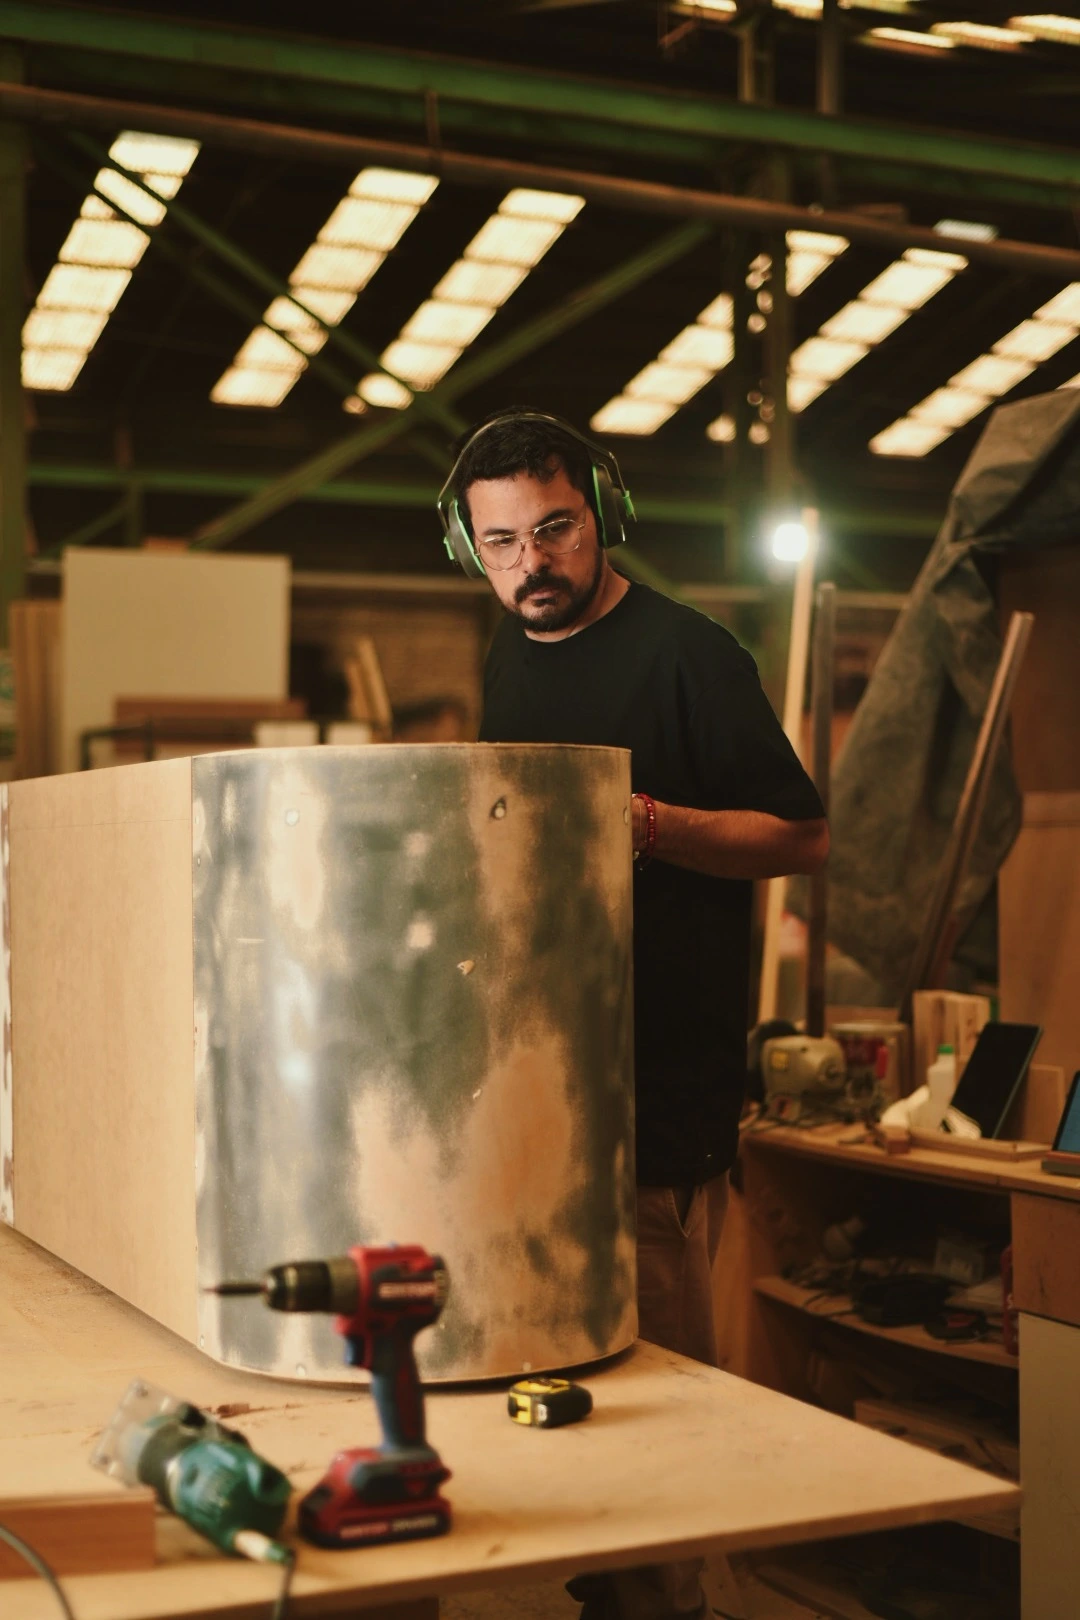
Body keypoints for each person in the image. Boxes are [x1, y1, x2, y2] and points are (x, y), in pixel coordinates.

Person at [438, 411, 828, 1620]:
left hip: (660, 1088)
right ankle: (617, 1589)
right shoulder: (509, 658)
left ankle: (675, 1597)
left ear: (604, 512)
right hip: (542, 1085)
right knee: (572, 1382)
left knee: (661, 1390)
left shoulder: (690, 656)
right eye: (501, 543)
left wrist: (649, 823)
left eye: (554, 530)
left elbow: (802, 836)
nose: (532, 565)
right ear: (469, 548)